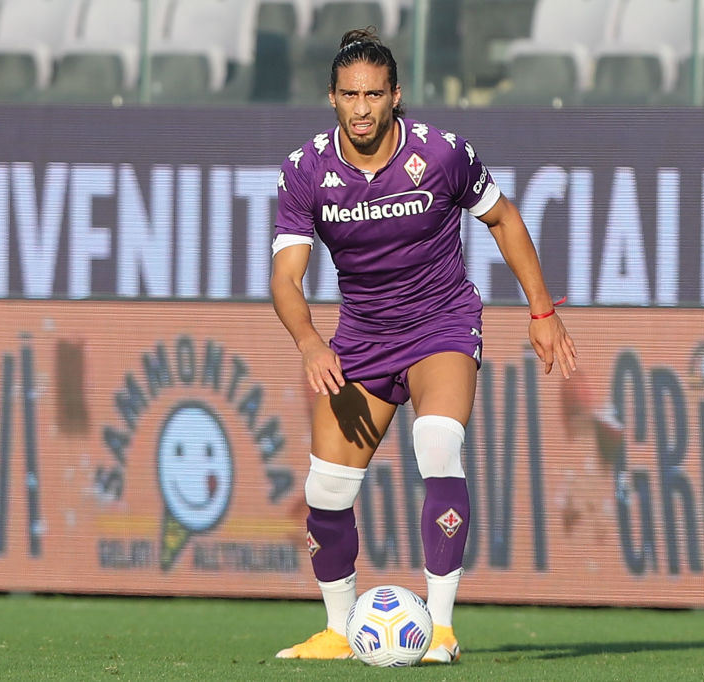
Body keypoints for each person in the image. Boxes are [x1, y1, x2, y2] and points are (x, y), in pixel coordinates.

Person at [270, 27, 577, 663]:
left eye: (374, 95)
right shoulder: (304, 172)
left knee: (437, 445)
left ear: (395, 96)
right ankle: (336, 629)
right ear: (331, 97)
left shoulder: (441, 154)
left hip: (440, 324)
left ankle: (438, 628)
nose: (362, 109)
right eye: (350, 95)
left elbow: (503, 218)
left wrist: (542, 310)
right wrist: (308, 342)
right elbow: (285, 277)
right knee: (326, 489)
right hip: (361, 338)